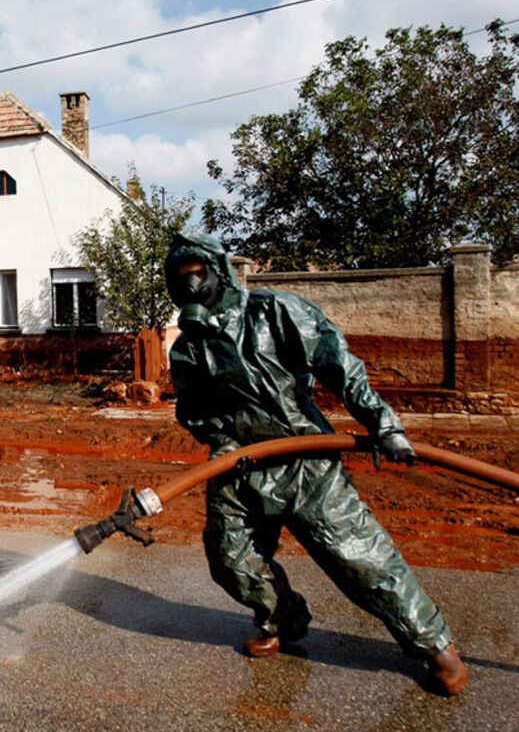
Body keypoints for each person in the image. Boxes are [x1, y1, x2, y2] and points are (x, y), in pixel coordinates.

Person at [164, 231, 468, 696]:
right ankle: (282, 621)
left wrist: (383, 424)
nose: (190, 287)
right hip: (240, 467)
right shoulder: (188, 346)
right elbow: (194, 410)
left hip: (304, 459)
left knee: (358, 560)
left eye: (196, 275)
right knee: (231, 560)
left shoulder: (275, 311)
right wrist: (221, 440)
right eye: (179, 278)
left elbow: (338, 364)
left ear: (218, 272)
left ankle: (435, 647)